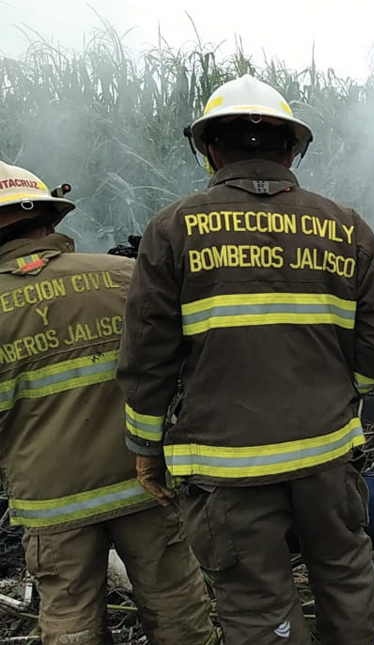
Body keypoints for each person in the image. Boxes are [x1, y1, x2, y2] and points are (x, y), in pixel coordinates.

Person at [116, 74, 374, 645]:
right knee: (347, 577)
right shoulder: (344, 225)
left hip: (229, 467)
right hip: (327, 454)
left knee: (256, 601)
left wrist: (146, 449)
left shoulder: (173, 229)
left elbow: (147, 357)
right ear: (293, 148)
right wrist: (347, 388)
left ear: (211, 150)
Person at [0, 161, 215, 645]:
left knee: (70, 622)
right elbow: (190, 363)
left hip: (49, 500)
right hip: (142, 480)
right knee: (178, 608)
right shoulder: (126, 275)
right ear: (50, 223)